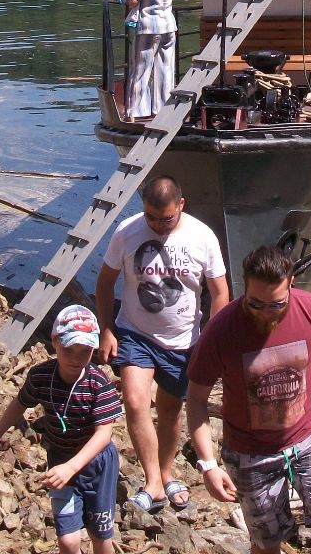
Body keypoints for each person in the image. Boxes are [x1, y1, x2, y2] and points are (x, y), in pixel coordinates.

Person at [185, 245, 311, 554]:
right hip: (250, 451)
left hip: (309, 435)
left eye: (276, 304)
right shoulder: (220, 330)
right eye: (256, 303)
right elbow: (196, 399)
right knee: (266, 545)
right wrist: (208, 464)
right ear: (244, 287)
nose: (266, 312)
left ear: (291, 284)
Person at [96, 175, 229, 514]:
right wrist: (107, 330)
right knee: (135, 401)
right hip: (135, 332)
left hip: (183, 341)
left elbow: (219, 294)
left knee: (170, 412)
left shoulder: (202, 237)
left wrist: (212, 342)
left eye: (165, 218)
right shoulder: (128, 231)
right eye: (151, 217)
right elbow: (105, 281)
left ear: (180, 206)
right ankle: (153, 481)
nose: (157, 224)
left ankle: (168, 474)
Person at [0, 305, 122, 554]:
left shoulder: (98, 383)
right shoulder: (41, 376)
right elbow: (19, 404)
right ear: (55, 341)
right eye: (69, 349)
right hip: (59, 459)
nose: (76, 357)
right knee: (68, 541)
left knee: (100, 535)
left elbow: (104, 433)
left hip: (97, 464)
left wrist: (73, 467)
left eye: (85, 350)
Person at [125, 0, 177, 119]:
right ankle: (163, 110)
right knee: (165, 69)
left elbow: (133, 1)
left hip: (149, 27)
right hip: (169, 27)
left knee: (140, 69)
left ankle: (135, 111)